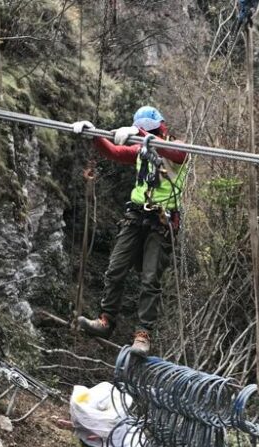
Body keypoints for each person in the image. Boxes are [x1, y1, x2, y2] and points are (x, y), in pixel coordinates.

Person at [72, 106, 189, 356]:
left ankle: (143, 334)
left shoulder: (175, 147)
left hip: (162, 220)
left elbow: (179, 153)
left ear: (162, 128)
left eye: (154, 129)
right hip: (136, 215)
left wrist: (142, 134)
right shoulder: (140, 149)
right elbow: (114, 152)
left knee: (150, 279)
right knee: (115, 268)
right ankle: (106, 320)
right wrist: (95, 135)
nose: (149, 133)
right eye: (147, 130)